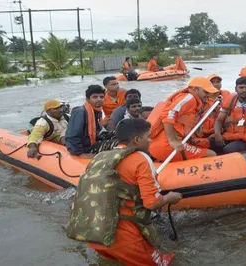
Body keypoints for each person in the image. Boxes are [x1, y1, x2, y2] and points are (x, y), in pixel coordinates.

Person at [67, 118, 182, 266]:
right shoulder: (141, 159)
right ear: (136, 139)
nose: (150, 141)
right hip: (123, 236)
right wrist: (169, 198)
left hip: (96, 235)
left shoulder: (100, 157)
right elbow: (152, 203)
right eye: (148, 137)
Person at [148, 77, 219, 162]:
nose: (208, 95)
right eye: (205, 92)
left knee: (206, 144)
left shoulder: (197, 102)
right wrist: (172, 140)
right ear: (195, 89)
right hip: (166, 145)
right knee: (212, 155)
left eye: (209, 93)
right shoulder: (189, 98)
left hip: (163, 143)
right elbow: (168, 114)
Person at [65, 85, 106, 159]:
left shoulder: (97, 111)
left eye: (101, 97)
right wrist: (81, 154)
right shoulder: (80, 112)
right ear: (88, 99)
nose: (99, 99)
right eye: (95, 97)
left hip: (92, 143)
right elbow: (72, 136)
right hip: (84, 148)